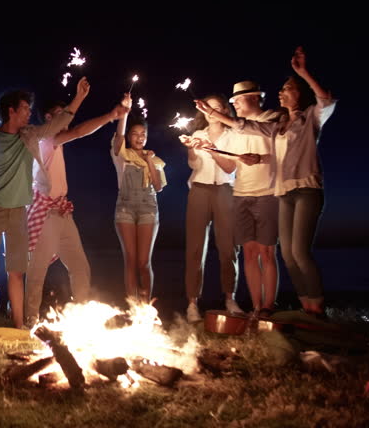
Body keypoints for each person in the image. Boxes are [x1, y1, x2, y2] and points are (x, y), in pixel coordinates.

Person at [196, 46, 336, 317]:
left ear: (301, 94)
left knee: (298, 252)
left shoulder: (310, 118)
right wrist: (213, 118)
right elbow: (244, 127)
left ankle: (316, 309)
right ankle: (305, 308)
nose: (281, 92)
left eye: (288, 88)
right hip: (284, 192)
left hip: (305, 189)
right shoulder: (278, 127)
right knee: (289, 256)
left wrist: (303, 73)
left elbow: (325, 100)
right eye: (282, 88)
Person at [0, 78, 89, 330]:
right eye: (25, 108)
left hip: (19, 212)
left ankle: (19, 325)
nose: (29, 113)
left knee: (16, 271)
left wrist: (79, 98)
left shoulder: (30, 136)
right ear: (11, 111)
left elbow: (58, 123)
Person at [25, 94, 130, 326]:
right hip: (46, 212)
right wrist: (110, 115)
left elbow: (76, 131)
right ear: (49, 118)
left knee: (80, 266)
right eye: (62, 115)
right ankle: (30, 320)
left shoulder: (55, 141)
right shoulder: (46, 139)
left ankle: (81, 315)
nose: (67, 120)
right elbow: (79, 131)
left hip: (62, 210)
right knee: (38, 269)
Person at [216, 80, 284, 317]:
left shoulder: (274, 118)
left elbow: (285, 153)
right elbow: (228, 166)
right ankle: (256, 307)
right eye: (233, 100)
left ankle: (268, 307)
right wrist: (208, 149)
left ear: (255, 97)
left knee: (267, 252)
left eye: (238, 99)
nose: (234, 103)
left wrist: (261, 159)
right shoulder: (235, 131)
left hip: (268, 192)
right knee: (249, 252)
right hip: (241, 194)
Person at [177, 94, 242, 323]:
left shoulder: (233, 135)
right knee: (195, 247)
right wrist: (191, 149)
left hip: (225, 189)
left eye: (216, 108)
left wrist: (212, 149)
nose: (211, 112)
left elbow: (230, 167)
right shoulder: (198, 134)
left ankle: (230, 299)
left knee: (228, 246)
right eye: (207, 108)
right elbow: (194, 164)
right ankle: (192, 303)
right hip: (199, 189)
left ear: (224, 110)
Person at [111, 93, 166, 303]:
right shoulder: (121, 156)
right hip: (124, 209)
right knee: (131, 261)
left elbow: (158, 186)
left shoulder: (155, 160)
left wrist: (149, 161)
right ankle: (133, 309)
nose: (139, 137)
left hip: (148, 209)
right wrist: (124, 113)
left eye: (143, 134)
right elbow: (118, 139)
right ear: (129, 136)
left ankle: (146, 307)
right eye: (135, 134)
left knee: (144, 262)